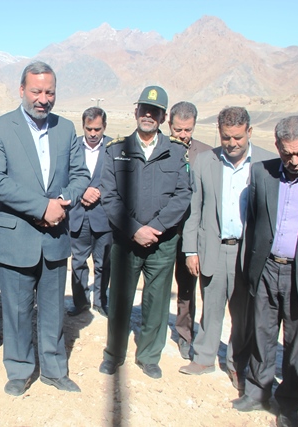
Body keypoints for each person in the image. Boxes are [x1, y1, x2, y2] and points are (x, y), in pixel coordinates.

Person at [0, 61, 90, 396]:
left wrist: (62, 201)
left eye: (50, 92)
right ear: (21, 90)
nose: (43, 99)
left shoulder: (66, 129)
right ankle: (19, 369)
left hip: (55, 236)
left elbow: (81, 175)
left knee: (54, 309)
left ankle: (54, 370)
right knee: (16, 310)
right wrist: (42, 207)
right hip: (17, 236)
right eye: (36, 91)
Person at [233, 116, 298, 427]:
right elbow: (254, 222)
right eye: (287, 153)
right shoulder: (261, 173)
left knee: (297, 345)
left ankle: (290, 401)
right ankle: (257, 391)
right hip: (267, 268)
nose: (295, 160)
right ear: (277, 146)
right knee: (262, 334)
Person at [98, 86, 191, 379]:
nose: (148, 115)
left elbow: (183, 195)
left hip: (162, 243)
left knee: (157, 302)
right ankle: (114, 354)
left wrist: (157, 228)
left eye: (155, 111)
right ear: (135, 111)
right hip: (126, 241)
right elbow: (109, 196)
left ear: (163, 117)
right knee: (120, 301)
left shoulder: (176, 151)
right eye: (144, 109)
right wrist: (135, 230)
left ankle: (149, 356)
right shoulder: (116, 150)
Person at [179, 107, 275, 389]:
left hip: (247, 251)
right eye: (226, 137)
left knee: (242, 312)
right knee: (211, 305)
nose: (232, 143)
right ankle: (204, 357)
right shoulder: (205, 161)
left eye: (238, 138)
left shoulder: (266, 163)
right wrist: (191, 250)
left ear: (249, 132)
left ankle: (237, 365)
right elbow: (194, 209)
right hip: (213, 247)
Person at [168, 101, 212, 359]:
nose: (183, 135)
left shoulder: (206, 155)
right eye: (178, 130)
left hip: (191, 234)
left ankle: (185, 335)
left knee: (186, 287)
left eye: (188, 130)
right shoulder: (161, 148)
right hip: (164, 232)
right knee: (158, 284)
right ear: (169, 125)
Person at [67, 106, 112, 317]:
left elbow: (119, 179)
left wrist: (100, 192)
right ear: (83, 126)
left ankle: (101, 302)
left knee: (103, 263)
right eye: (89, 129)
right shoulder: (72, 146)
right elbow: (63, 176)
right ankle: (81, 303)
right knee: (78, 262)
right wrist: (82, 191)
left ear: (104, 127)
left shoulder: (114, 148)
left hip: (103, 216)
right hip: (78, 215)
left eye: (97, 129)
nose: (93, 133)